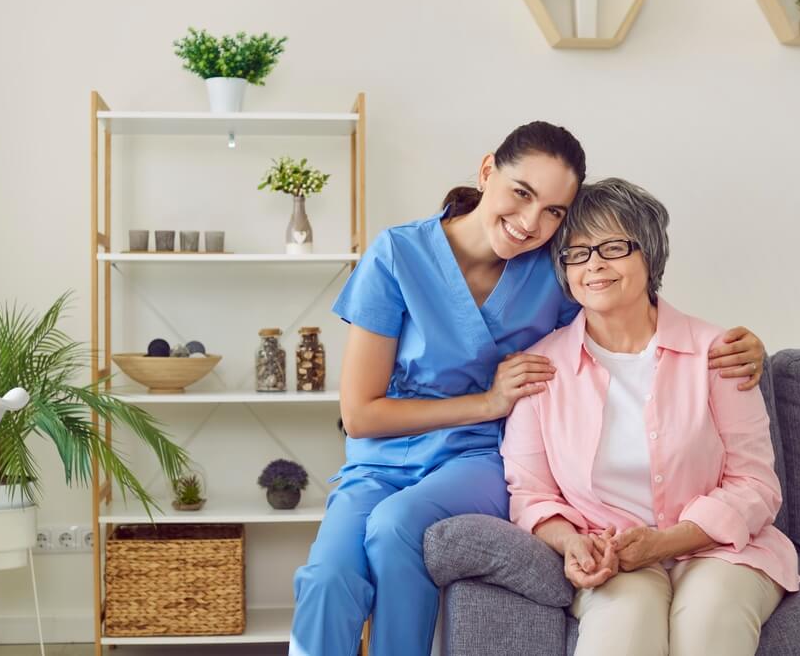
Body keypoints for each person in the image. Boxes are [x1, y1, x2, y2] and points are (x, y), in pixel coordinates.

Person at [289, 124, 767, 656]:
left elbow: (627, 316)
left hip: (475, 457)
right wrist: (488, 402)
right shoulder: (398, 255)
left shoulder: (554, 267)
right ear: (488, 170)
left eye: (554, 212)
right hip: (381, 456)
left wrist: (740, 346)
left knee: (395, 527)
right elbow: (359, 415)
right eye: (521, 193)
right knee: (327, 577)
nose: (530, 223)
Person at [502, 177, 800, 656]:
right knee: (622, 628)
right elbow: (530, 492)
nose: (593, 263)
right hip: (613, 558)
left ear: (651, 254)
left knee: (709, 621)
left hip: (722, 549)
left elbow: (756, 485)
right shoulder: (541, 369)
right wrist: (571, 543)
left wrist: (666, 543)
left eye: (613, 247)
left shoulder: (718, 354)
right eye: (577, 252)